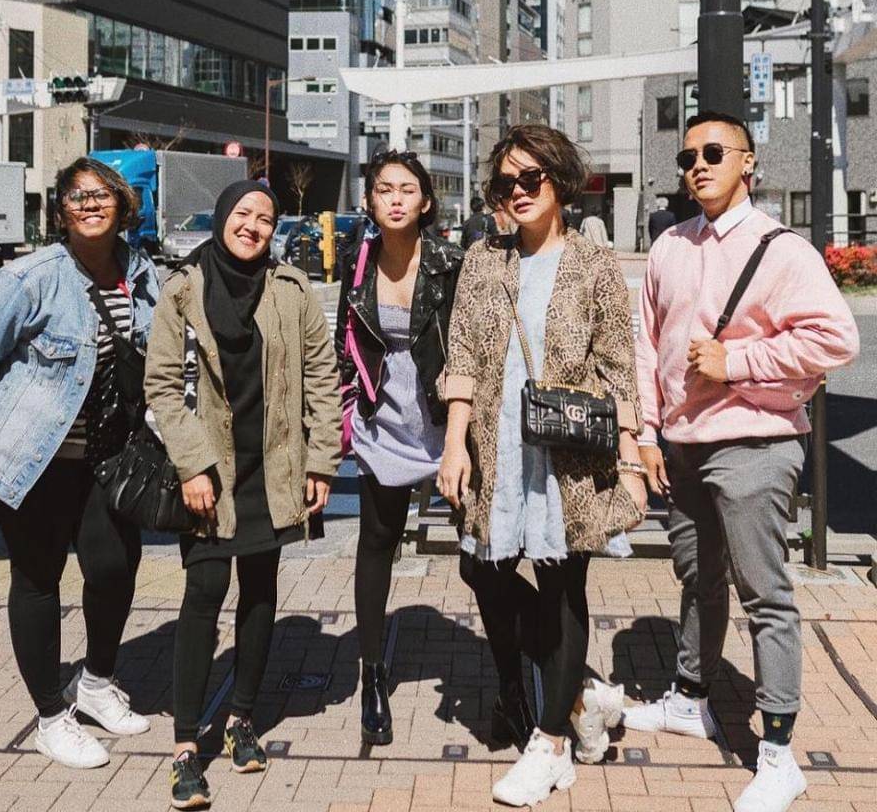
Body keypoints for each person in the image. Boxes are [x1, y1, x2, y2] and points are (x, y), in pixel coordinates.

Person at [627, 111, 860, 812]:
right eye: (688, 156)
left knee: (765, 595)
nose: (698, 165)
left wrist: (739, 361)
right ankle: (690, 697)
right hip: (683, 444)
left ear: (748, 162)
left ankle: (779, 753)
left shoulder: (781, 249)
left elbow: (836, 339)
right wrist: (646, 433)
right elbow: (647, 344)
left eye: (713, 152)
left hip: (756, 441)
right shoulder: (669, 246)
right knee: (697, 577)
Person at [437, 124, 648, 807]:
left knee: (562, 587)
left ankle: (551, 742)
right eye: (506, 183)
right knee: (482, 569)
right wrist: (453, 444)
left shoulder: (594, 264)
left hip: (568, 455)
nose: (519, 192)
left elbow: (618, 367)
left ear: (559, 181)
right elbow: (463, 356)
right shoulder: (483, 261)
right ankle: (579, 692)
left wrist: (633, 454)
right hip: (495, 447)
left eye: (531, 179)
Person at [0, 158, 160, 768]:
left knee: (114, 566)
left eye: (101, 195)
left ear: (123, 205)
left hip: (107, 455)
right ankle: (50, 716)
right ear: (61, 211)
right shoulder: (30, 277)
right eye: (76, 196)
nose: (89, 205)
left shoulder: (142, 272)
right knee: (38, 577)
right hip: (34, 458)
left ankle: (94, 683)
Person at [145, 180, 341, 810]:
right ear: (223, 217)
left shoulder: (292, 290)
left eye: (266, 219)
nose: (253, 226)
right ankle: (184, 746)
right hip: (210, 471)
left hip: (273, 468)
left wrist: (322, 460)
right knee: (204, 591)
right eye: (243, 214)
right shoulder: (182, 288)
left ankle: (241, 718)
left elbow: (322, 377)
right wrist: (192, 465)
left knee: (259, 592)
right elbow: (161, 385)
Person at [335, 149, 463, 747]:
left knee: (482, 553)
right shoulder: (356, 263)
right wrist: (347, 408)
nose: (394, 198)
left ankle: (513, 671)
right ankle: (372, 673)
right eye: (384, 188)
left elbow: (469, 347)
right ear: (369, 200)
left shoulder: (450, 264)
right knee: (376, 544)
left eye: (407, 189)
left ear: (426, 201)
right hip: (382, 422)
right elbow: (346, 342)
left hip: (442, 422)